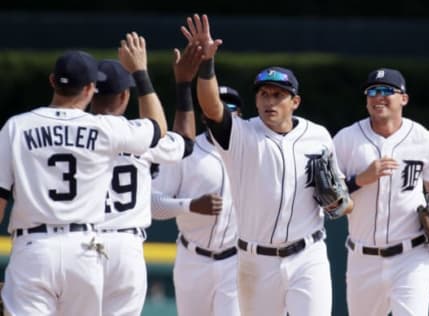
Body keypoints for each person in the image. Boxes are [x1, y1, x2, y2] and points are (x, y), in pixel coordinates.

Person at [180, 14, 353, 316]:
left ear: (294, 102)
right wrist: (207, 64)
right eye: (263, 94)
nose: (269, 101)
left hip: (308, 255)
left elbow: (342, 199)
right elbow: (210, 106)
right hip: (255, 261)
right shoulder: (241, 134)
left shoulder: (318, 136)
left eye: (278, 95)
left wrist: (340, 203)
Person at [0, 32, 167, 316]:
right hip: (85, 251)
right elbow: (157, 128)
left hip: (33, 248)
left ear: (52, 81)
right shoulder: (103, 128)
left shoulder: (16, 127)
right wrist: (140, 71)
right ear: (90, 88)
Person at [333, 68, 429, 316]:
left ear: (404, 98)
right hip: (362, 257)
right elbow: (329, 198)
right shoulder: (346, 140)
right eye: (372, 91)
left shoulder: (425, 140)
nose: (378, 96)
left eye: (386, 91)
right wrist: (360, 179)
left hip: (411, 256)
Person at [89, 41, 200, 316]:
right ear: (125, 96)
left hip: (79, 242)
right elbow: (185, 142)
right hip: (126, 247)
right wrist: (182, 84)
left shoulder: (69, 136)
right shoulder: (139, 134)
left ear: (90, 92)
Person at [151, 85, 243, 316]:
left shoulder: (253, 152)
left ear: (240, 115)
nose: (222, 114)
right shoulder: (186, 152)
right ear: (203, 115)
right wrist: (190, 205)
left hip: (236, 260)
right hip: (193, 259)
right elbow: (153, 204)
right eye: (215, 107)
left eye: (229, 108)